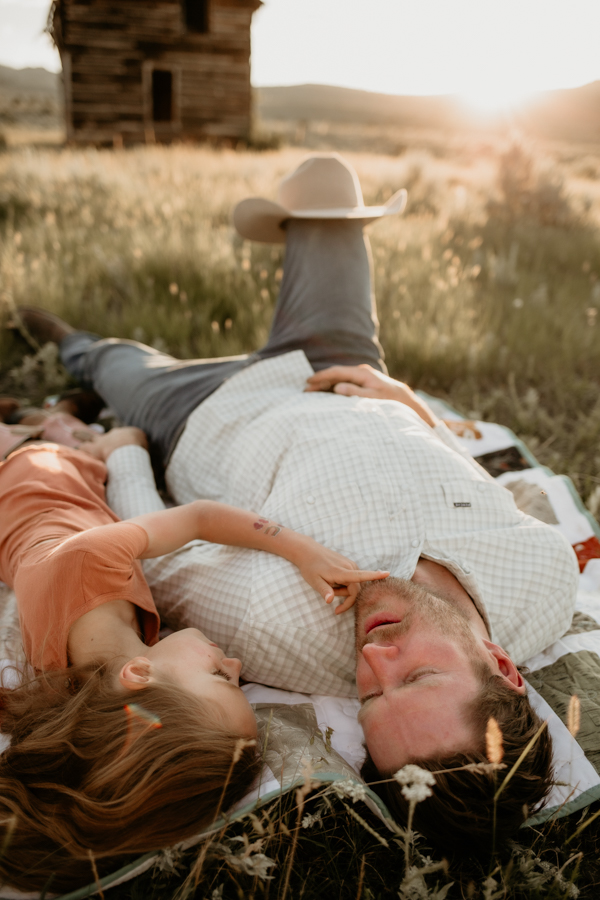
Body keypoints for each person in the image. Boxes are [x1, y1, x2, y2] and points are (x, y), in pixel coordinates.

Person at [17, 153, 579, 853]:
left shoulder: (275, 630)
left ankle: (68, 342)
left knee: (112, 363)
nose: (375, 659)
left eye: (370, 698)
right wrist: (412, 406)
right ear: (500, 664)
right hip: (339, 362)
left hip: (205, 413)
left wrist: (129, 449)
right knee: (328, 182)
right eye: (418, 673)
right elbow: (473, 483)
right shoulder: (548, 579)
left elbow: (154, 557)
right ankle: (292, 231)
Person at [0, 403, 384, 893]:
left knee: (124, 438)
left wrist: (303, 551)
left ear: (138, 674)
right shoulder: (72, 675)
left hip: (40, 472)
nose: (236, 663)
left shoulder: (87, 562)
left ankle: (60, 428)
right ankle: (61, 424)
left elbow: (201, 518)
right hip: (31, 501)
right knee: (115, 440)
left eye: (221, 677)